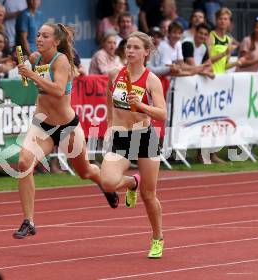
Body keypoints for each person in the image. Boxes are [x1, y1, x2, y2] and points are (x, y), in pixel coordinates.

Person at [13, 23, 120, 238]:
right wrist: (22, 68)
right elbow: (27, 74)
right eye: (38, 35)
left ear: (56, 41)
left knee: (85, 172)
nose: (39, 39)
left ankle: (105, 184)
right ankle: (28, 221)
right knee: (24, 163)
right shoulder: (35, 58)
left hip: (66, 128)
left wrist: (32, 76)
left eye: (45, 36)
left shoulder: (61, 61)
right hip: (41, 125)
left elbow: (58, 90)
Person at [100, 31, 167, 259]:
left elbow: (163, 113)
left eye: (136, 47)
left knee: (149, 195)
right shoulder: (114, 74)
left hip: (144, 137)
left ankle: (157, 238)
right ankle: (131, 182)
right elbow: (109, 97)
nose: (130, 51)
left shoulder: (151, 80)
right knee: (107, 183)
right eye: (128, 47)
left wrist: (141, 105)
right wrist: (110, 123)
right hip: (120, 136)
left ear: (146, 52)